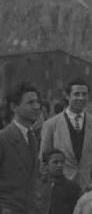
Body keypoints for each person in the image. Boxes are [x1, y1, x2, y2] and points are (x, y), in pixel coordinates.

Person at [40, 78, 92, 188]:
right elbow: (43, 158)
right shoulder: (51, 124)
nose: (81, 98)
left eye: (84, 94)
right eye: (76, 94)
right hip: (60, 186)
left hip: (87, 186)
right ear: (67, 96)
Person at [0, 82, 42, 213]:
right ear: (14, 107)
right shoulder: (3, 139)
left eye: (37, 102)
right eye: (30, 103)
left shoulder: (32, 138)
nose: (37, 107)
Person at [35, 149, 81, 214]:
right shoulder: (37, 186)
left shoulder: (72, 187)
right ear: (46, 165)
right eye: (55, 162)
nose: (60, 165)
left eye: (62, 162)